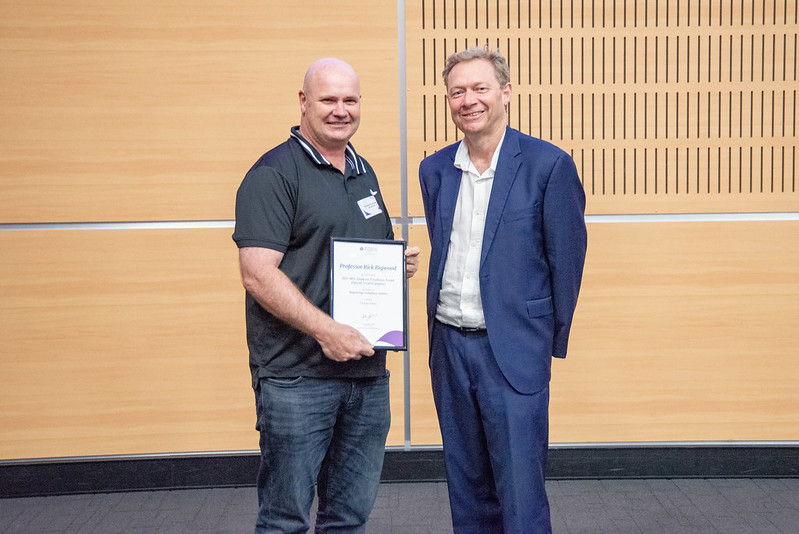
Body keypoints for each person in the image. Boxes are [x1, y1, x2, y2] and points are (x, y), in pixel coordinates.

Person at [232, 57, 420, 534]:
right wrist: (326, 330)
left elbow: (348, 257)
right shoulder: (273, 173)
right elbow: (257, 274)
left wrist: (393, 266)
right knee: (285, 520)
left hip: (366, 375)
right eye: (328, 99)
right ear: (303, 102)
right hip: (298, 379)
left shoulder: (363, 171)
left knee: (348, 518)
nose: (341, 110)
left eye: (350, 100)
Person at [419, 47, 588, 533]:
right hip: (450, 348)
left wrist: (545, 343)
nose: (468, 100)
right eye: (457, 91)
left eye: (480, 88)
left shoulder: (547, 165)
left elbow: (567, 261)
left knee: (520, 493)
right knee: (466, 488)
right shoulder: (434, 170)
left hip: (512, 350)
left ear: (506, 93)